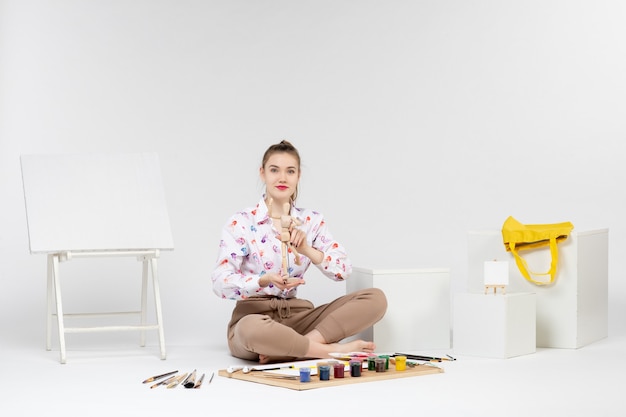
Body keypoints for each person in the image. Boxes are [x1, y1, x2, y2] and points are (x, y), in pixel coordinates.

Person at [211, 140, 387, 364]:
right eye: (274, 170)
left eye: (290, 171)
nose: (282, 178)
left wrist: (307, 250)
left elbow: (343, 270)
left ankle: (298, 346)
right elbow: (219, 281)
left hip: (298, 316)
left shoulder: (311, 221)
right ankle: (328, 351)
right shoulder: (242, 222)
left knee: (375, 298)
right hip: (255, 316)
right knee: (249, 329)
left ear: (298, 176)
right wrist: (263, 280)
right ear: (262, 173)